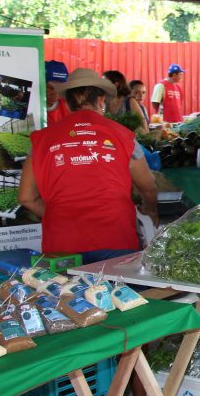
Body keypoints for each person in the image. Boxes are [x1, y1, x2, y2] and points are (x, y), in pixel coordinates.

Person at [19, 67, 158, 261]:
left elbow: (26, 198)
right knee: (115, 292)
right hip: (115, 237)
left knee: (68, 291)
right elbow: (147, 185)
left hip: (62, 244)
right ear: (101, 100)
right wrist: (150, 209)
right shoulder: (122, 136)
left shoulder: (41, 139)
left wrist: (60, 216)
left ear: (67, 103)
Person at [45, 61, 71, 126]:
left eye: (61, 85)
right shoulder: (32, 101)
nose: (56, 92)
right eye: (51, 87)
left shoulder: (71, 104)